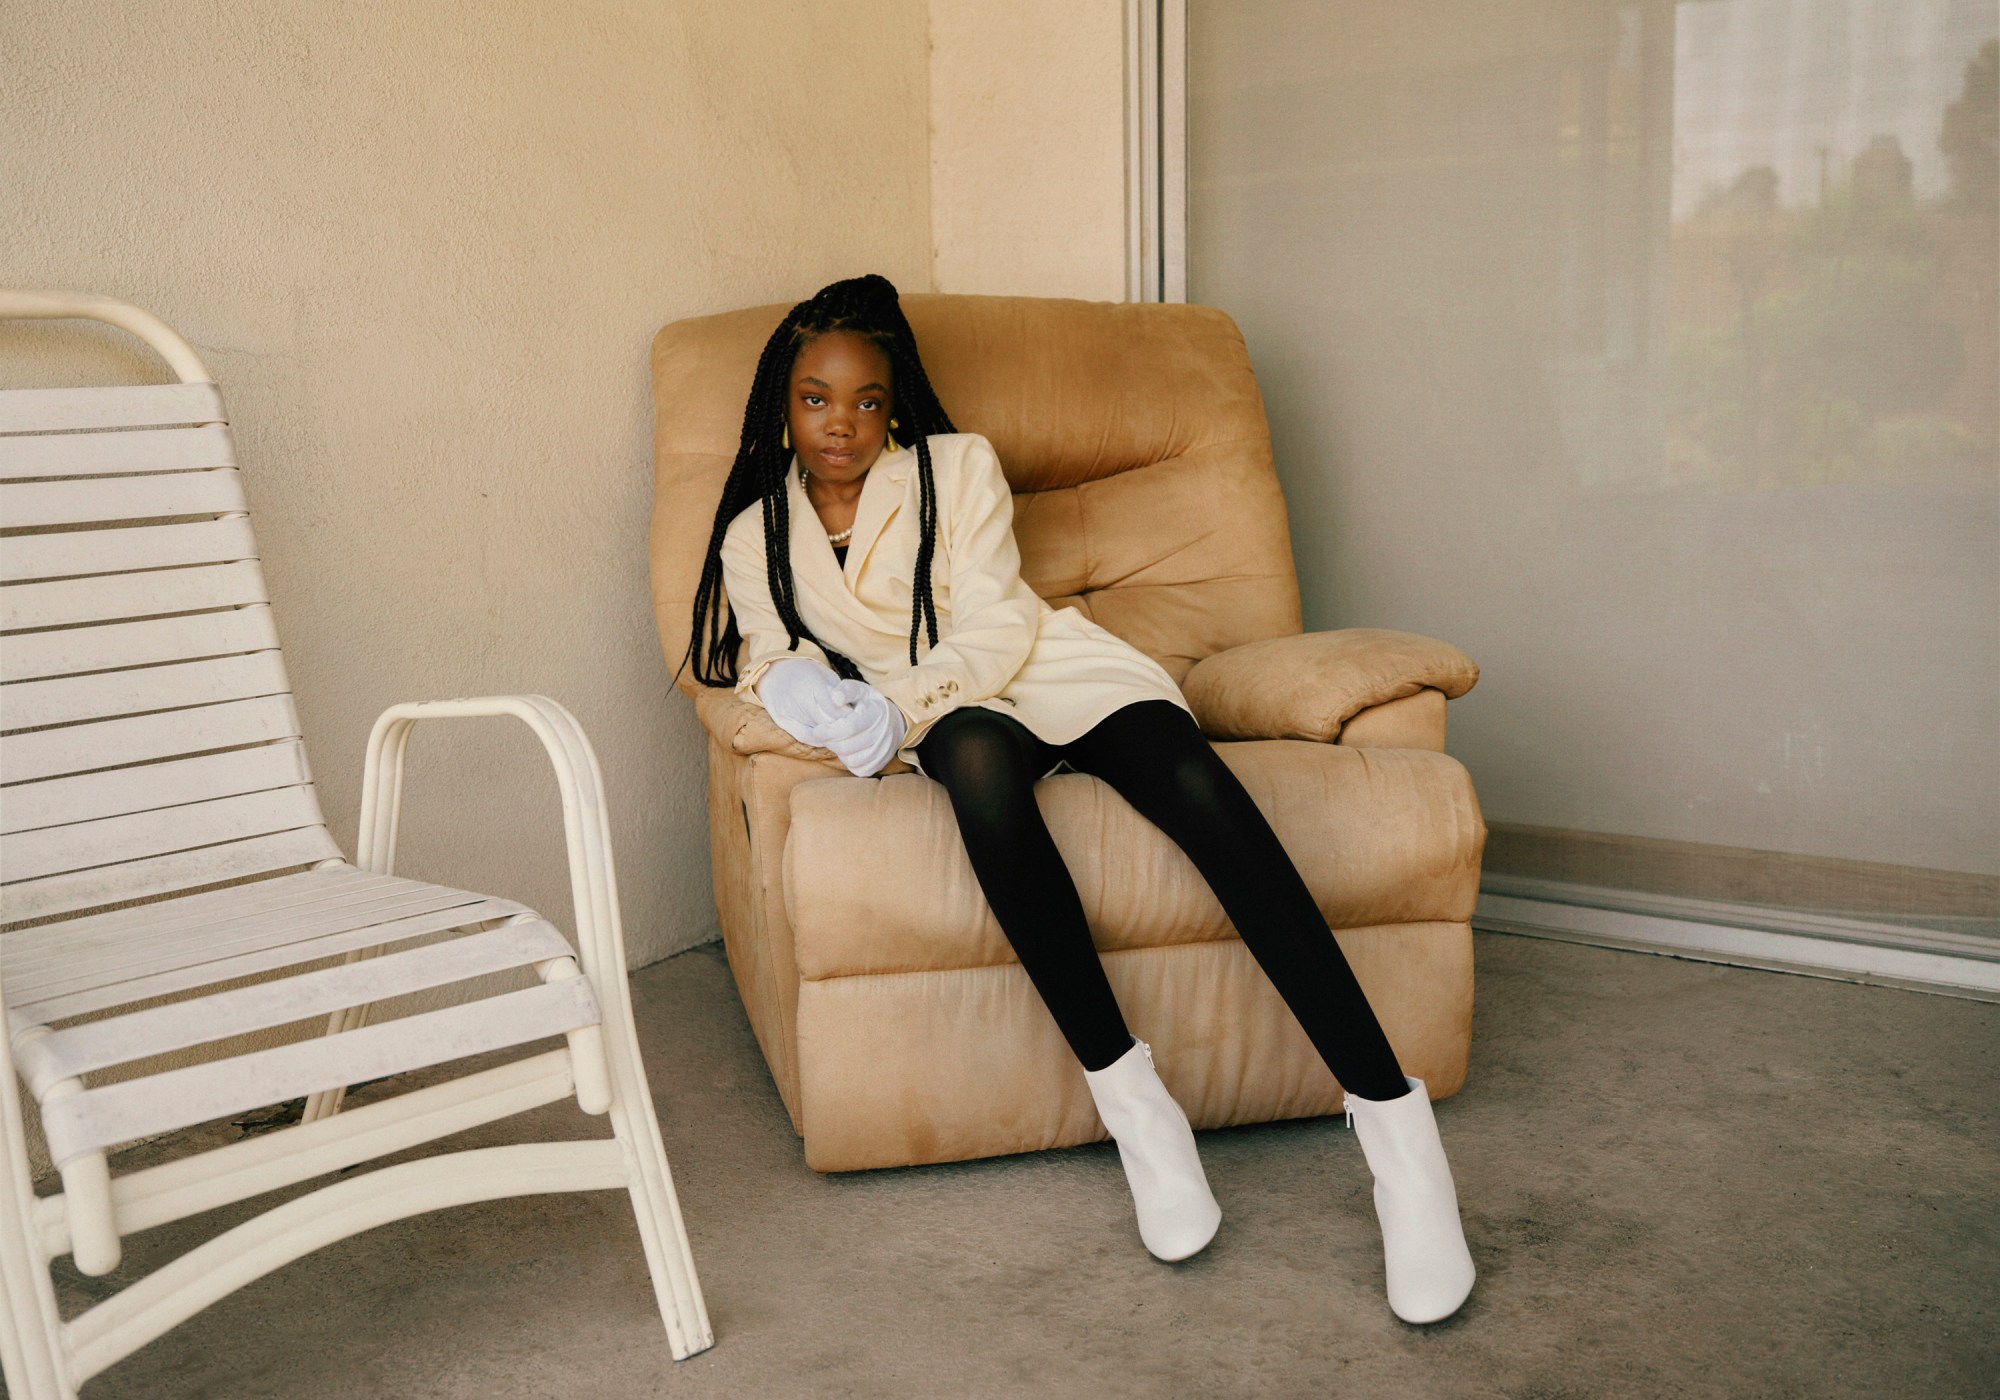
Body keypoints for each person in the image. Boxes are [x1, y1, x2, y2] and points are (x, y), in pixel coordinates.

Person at [686, 274, 1476, 1324]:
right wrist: (798, 687)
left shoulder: (956, 467)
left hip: (1043, 668)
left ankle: (1397, 1138)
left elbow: (996, 624)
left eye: (867, 400)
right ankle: (1139, 1110)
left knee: (1198, 783)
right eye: (816, 398)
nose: (842, 423)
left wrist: (896, 697)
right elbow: (768, 654)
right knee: (974, 764)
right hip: (955, 723)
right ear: (781, 405)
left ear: (894, 403)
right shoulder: (753, 533)